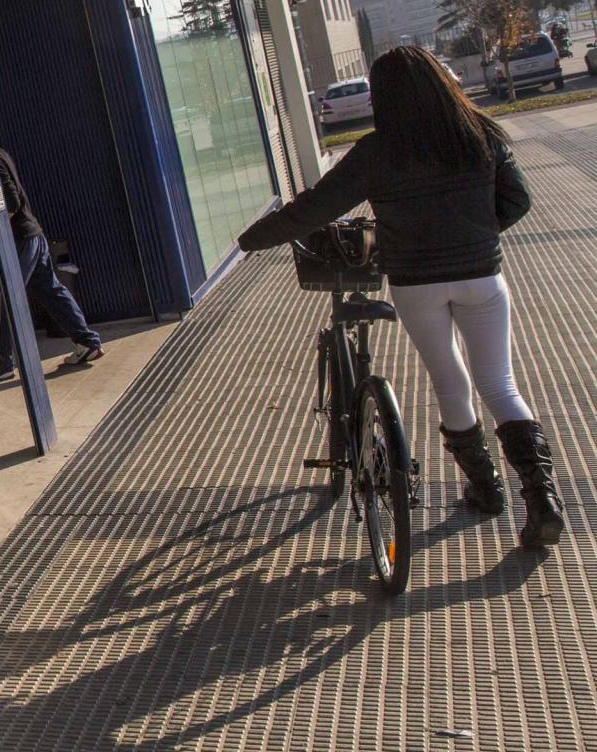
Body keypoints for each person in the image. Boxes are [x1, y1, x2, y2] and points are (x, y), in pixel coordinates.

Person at [237, 45, 564, 549]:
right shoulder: (481, 134)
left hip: (417, 284)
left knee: (450, 380)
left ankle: (487, 491)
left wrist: (251, 239)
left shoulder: (377, 151)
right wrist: (476, 235)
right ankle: (542, 502)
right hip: (483, 277)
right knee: (500, 383)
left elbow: (314, 208)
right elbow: (518, 201)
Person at [0, 131, 104, 380]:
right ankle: (87, 342)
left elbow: (9, 203)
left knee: (6, 296)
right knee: (51, 290)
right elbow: (1, 198)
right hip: (32, 234)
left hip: (21, 239)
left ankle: (1, 364)